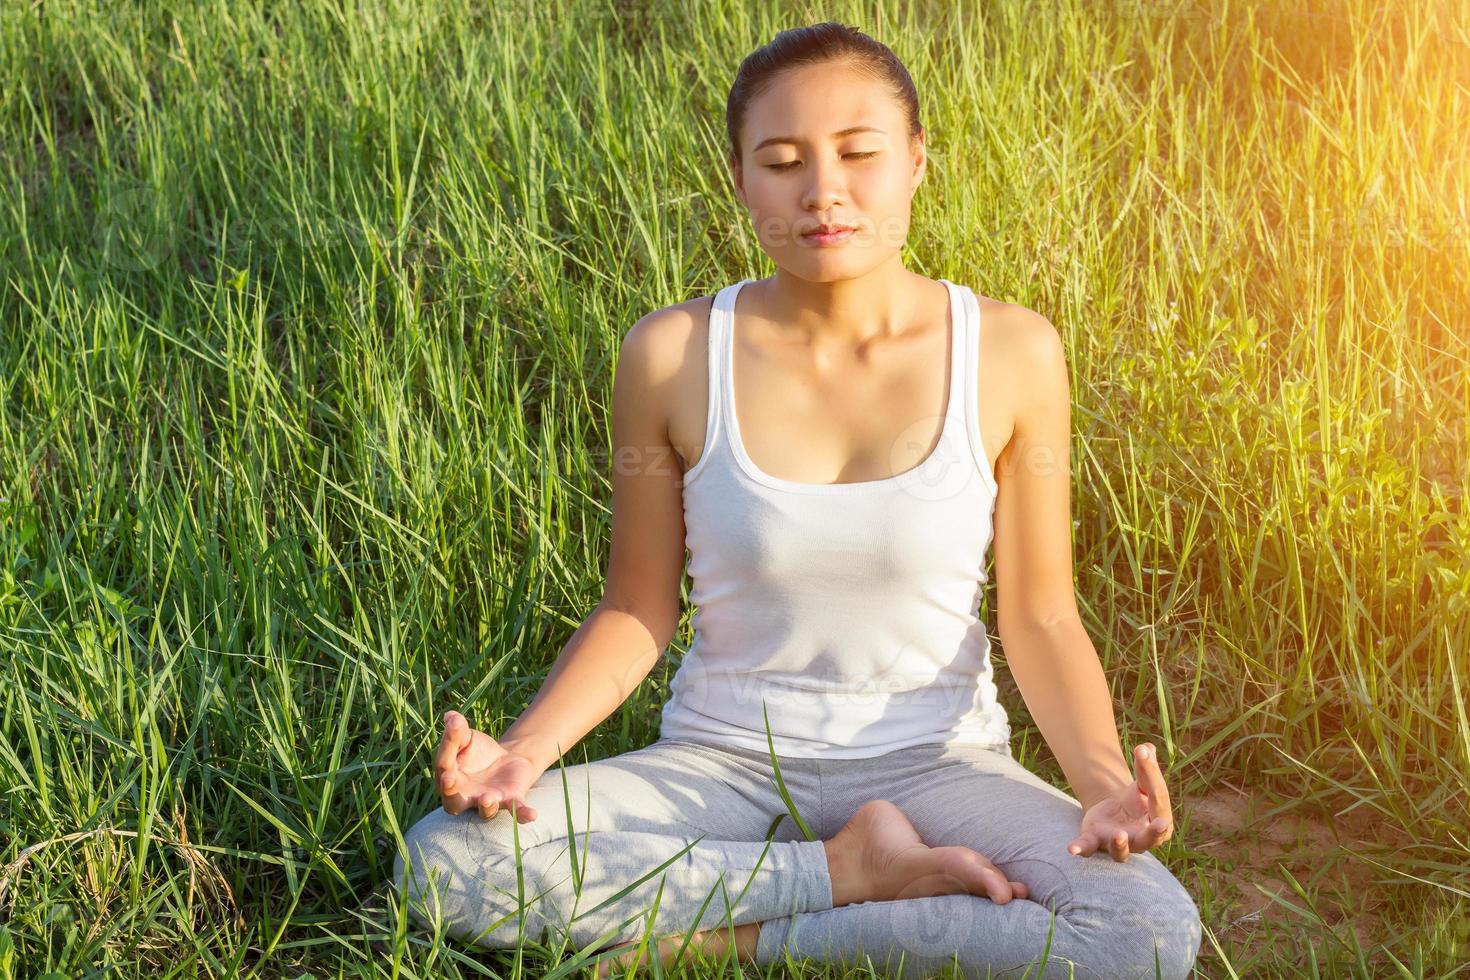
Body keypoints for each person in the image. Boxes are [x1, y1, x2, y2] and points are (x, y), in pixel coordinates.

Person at [393, 20, 1203, 980]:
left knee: (1144, 933)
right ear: (740, 178)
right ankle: (849, 873)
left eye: (859, 153)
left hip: (940, 762)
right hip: (723, 761)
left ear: (915, 161)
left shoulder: (1013, 352)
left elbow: (1041, 614)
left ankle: (724, 941)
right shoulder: (673, 355)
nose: (824, 190)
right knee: (445, 868)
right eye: (783, 162)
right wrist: (521, 754)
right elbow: (636, 607)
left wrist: (1103, 786)